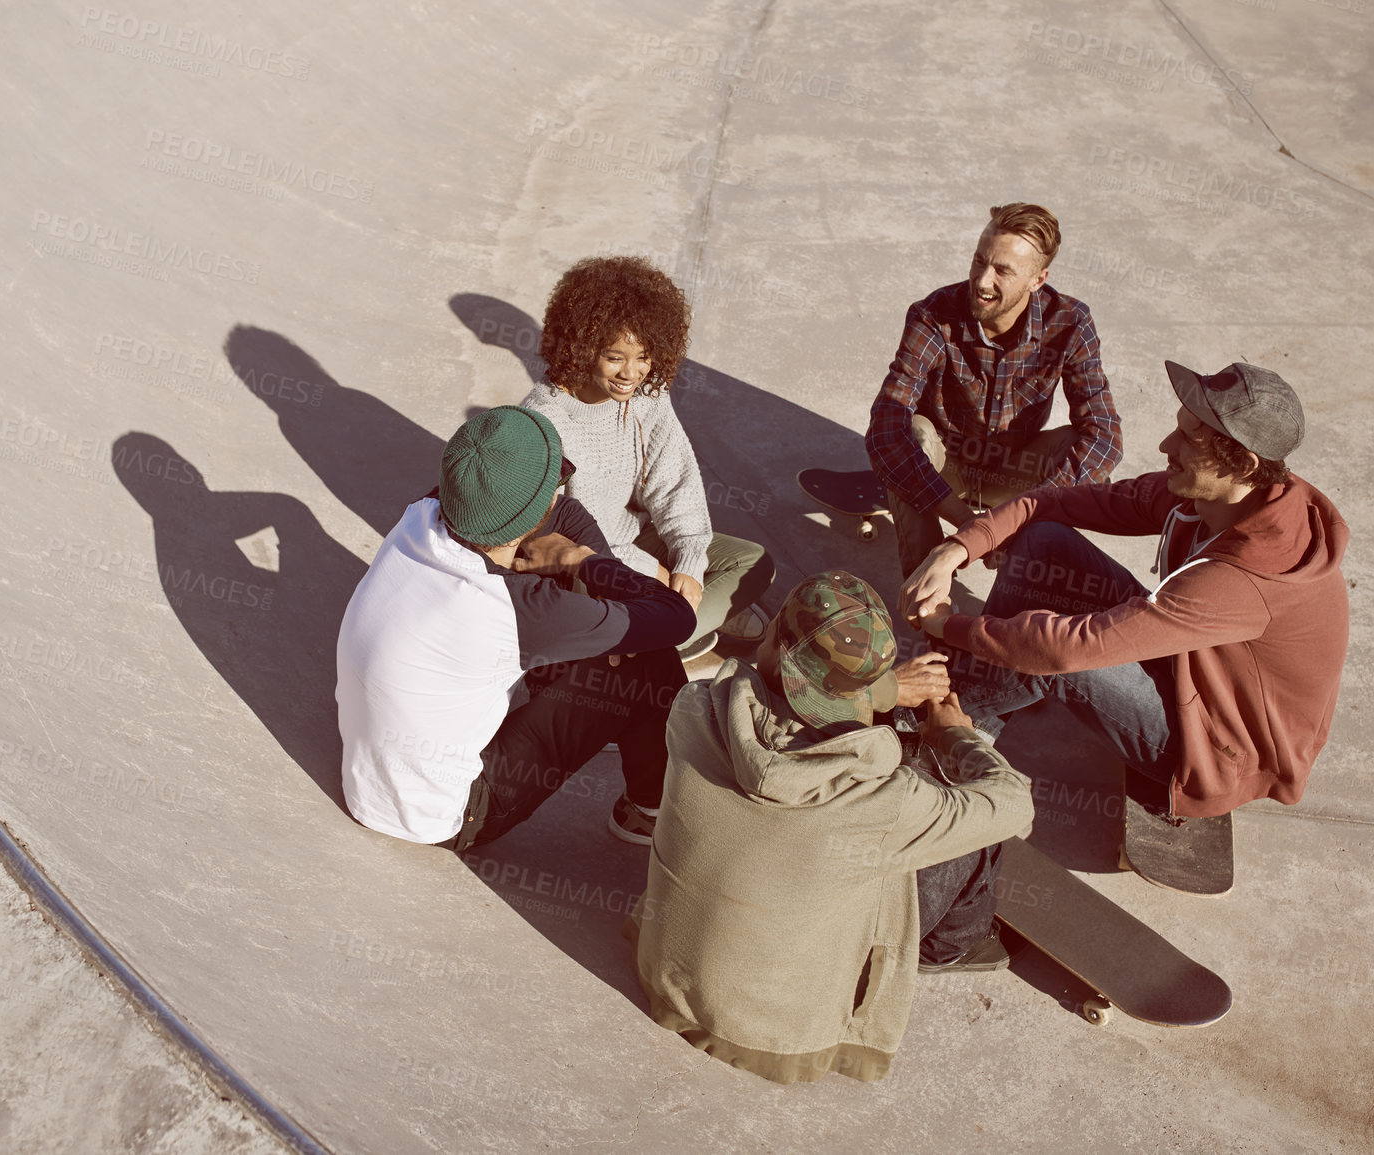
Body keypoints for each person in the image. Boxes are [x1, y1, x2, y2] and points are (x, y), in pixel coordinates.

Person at [624, 572, 1034, 1084]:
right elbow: (1015, 805)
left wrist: (887, 689)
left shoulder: (694, 707)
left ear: (772, 636)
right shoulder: (889, 802)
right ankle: (955, 946)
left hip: (665, 977)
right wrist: (957, 739)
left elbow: (762, 680)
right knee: (964, 824)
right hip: (774, 1036)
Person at [901, 361, 1349, 821]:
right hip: (1190, 668)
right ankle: (968, 707)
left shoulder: (1248, 577)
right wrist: (955, 550)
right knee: (1044, 542)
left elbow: (1071, 649)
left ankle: (946, 730)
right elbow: (1050, 501)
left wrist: (947, 624)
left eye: (1189, 442)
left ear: (1246, 464)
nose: (1165, 447)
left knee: (1064, 656)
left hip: (1216, 746)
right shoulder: (1221, 494)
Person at [337, 405, 697, 851]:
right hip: (449, 815)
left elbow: (564, 512)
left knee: (611, 632)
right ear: (529, 513)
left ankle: (572, 660)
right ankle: (648, 809)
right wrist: (580, 562)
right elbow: (676, 618)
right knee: (650, 662)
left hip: (369, 781)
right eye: (553, 484)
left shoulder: (424, 513)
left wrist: (598, 598)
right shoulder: (511, 607)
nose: (559, 493)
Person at [523, 255, 774, 661]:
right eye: (615, 356)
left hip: (636, 533)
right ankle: (671, 629)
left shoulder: (645, 394)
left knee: (756, 563)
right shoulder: (544, 419)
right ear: (581, 345)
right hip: (588, 561)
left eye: (643, 356)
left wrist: (689, 565)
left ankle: (663, 632)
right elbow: (567, 536)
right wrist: (653, 575)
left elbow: (675, 482)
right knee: (603, 591)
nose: (631, 373)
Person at [865, 202, 1123, 580]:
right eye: (979, 261)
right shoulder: (934, 315)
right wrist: (968, 524)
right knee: (910, 437)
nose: (983, 281)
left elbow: (1106, 437)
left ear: (1038, 279)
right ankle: (928, 603)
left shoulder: (1069, 323)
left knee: (1088, 461)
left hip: (1015, 473)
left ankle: (1021, 591)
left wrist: (1017, 518)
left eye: (1003, 270)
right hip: (944, 469)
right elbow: (886, 427)